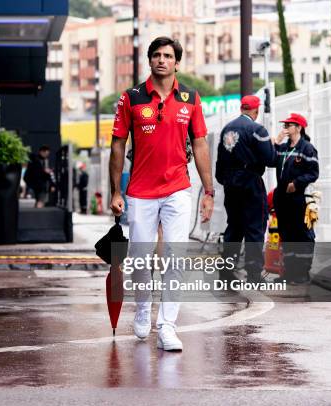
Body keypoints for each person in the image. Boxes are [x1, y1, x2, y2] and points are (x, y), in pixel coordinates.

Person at [109, 36, 214, 351]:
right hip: (140, 191)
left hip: (178, 189)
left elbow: (200, 144)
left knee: (174, 257)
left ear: (176, 63)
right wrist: (115, 191)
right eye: (156, 55)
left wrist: (208, 189)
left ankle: (167, 325)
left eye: (168, 55)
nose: (161, 60)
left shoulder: (191, 99)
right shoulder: (131, 98)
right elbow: (117, 145)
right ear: (150, 60)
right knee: (141, 258)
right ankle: (142, 306)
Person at [215, 95, 276, 284]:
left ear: (242, 108)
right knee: (255, 228)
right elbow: (270, 159)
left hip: (231, 184)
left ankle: (226, 273)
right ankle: (254, 276)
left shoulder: (227, 129)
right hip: (250, 182)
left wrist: (225, 180)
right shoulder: (257, 129)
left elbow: (220, 163)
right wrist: (273, 144)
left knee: (234, 227)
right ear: (256, 111)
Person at [272, 113, 319, 284]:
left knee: (301, 235)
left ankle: (302, 273)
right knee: (287, 234)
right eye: (284, 125)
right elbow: (270, 160)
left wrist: (297, 183)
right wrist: (275, 142)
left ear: (298, 127)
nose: (285, 128)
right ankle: (289, 273)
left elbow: (313, 172)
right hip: (283, 198)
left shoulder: (307, 148)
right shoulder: (283, 148)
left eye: (288, 125)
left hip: (298, 197)